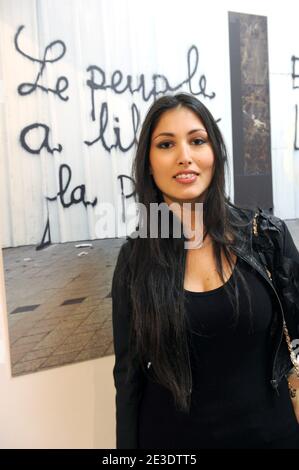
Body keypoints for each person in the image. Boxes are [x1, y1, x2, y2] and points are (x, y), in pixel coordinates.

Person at [111, 93, 299, 449]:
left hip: (273, 437)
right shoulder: (134, 261)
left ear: (214, 154)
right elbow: (128, 378)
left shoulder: (266, 236)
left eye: (197, 141)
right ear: (149, 163)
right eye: (166, 144)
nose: (185, 156)